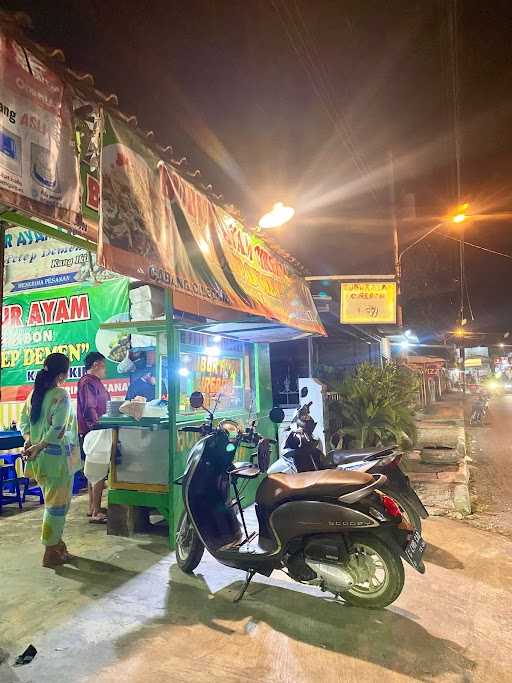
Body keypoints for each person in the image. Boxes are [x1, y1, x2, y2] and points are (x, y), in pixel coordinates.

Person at [20, 353, 80, 568]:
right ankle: (50, 551)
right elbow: (59, 429)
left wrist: (31, 443)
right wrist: (39, 445)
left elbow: (24, 425)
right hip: (57, 461)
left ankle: (57, 544)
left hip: (38, 461)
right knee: (57, 507)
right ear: (63, 374)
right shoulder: (60, 395)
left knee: (53, 503)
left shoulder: (34, 394)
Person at [77, 351, 110, 524]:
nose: (105, 370)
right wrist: (98, 426)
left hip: (97, 430)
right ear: (96, 364)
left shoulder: (94, 382)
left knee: (93, 471)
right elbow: (89, 408)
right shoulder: (87, 382)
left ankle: (92, 507)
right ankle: (96, 511)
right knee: (97, 470)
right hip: (94, 431)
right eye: (104, 365)